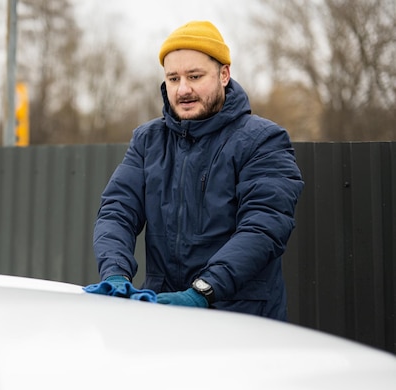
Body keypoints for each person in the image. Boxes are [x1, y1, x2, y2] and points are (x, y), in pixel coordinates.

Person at [84, 20, 304, 320]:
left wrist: (203, 291)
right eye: (173, 78)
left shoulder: (263, 140)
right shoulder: (148, 141)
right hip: (163, 316)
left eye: (195, 76)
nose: (183, 89)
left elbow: (264, 227)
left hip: (242, 322)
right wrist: (115, 274)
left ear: (224, 74)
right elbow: (116, 212)